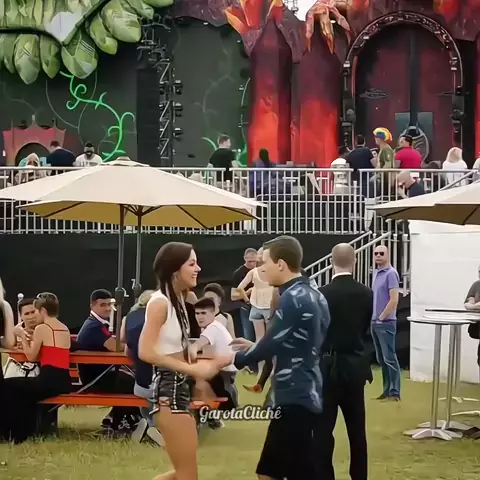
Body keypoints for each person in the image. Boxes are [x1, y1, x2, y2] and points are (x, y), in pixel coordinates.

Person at [230, 235, 331, 480]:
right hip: (306, 390)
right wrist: (257, 345)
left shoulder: (293, 298)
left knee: (269, 472)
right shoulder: (314, 293)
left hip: (294, 394)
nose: (261, 268)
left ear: (281, 264)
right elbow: (298, 343)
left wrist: (232, 359)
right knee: (298, 471)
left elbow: (273, 342)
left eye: (265, 262)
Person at [138, 242, 228, 480]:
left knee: (183, 474)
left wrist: (200, 379)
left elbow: (178, 348)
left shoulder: (180, 300)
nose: (198, 268)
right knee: (187, 475)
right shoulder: (160, 303)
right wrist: (190, 369)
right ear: (174, 269)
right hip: (167, 392)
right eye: (192, 263)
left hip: (179, 390)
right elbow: (145, 352)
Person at [314, 244, 373, 480]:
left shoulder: (321, 294)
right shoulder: (366, 293)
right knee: (357, 431)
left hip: (327, 367)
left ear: (331, 262)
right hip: (355, 366)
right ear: (355, 262)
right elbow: (365, 329)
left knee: (322, 430)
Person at [1, 293, 71, 443]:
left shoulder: (42, 328)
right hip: (64, 380)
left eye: (36, 311)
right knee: (21, 392)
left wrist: (21, 334)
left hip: (48, 380)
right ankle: (22, 431)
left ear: (43, 311)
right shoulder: (64, 328)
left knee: (7, 385)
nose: (35, 315)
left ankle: (14, 433)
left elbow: (31, 356)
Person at [76, 289, 139, 433]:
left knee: (132, 379)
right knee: (134, 383)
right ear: (92, 306)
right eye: (102, 305)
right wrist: (136, 342)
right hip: (96, 380)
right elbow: (115, 347)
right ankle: (119, 421)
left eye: (109, 304)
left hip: (102, 374)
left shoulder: (96, 323)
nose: (107, 308)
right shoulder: (94, 326)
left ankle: (117, 419)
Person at [122, 290, 164, 446]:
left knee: (147, 398)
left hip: (139, 384)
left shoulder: (129, 318)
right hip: (158, 384)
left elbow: (126, 349)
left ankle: (147, 422)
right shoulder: (159, 319)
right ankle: (157, 427)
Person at [192, 296, 238, 413]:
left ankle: (208, 412)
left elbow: (195, 347)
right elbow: (208, 354)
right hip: (225, 368)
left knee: (193, 377)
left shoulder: (212, 328)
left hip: (224, 371)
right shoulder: (215, 326)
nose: (200, 317)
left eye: (203, 313)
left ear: (213, 313)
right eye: (197, 313)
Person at [371, 245, 401, 401]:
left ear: (387, 255)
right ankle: (387, 390)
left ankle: (395, 392)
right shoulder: (376, 273)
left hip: (386, 321)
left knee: (390, 358)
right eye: (375, 253)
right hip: (375, 321)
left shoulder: (391, 273)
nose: (378, 255)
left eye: (381, 253)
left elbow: (394, 299)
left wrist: (382, 317)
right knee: (382, 359)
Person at [237, 248, 274, 342]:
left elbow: (240, 288)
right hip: (269, 308)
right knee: (269, 337)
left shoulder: (253, 272)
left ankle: (258, 351)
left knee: (259, 338)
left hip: (256, 308)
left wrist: (247, 300)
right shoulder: (274, 271)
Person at [231, 248, 257, 345]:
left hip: (261, 305)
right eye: (249, 261)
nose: (252, 264)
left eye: (254, 261)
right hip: (247, 307)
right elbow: (233, 296)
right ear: (244, 258)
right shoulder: (238, 274)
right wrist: (247, 293)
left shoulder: (261, 270)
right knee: (248, 335)